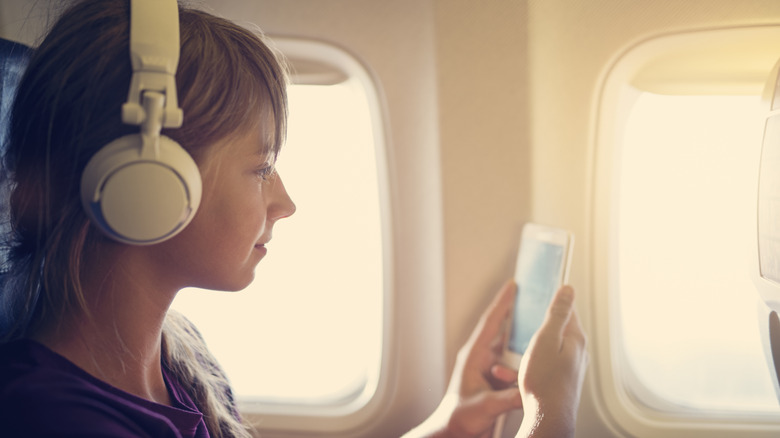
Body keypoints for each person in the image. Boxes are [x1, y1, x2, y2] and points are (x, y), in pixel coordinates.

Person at [0, 1, 588, 437]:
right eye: (260, 169)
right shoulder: (53, 417)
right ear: (147, 189)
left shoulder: (175, 356)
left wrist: (448, 423)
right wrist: (550, 417)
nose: (285, 202)